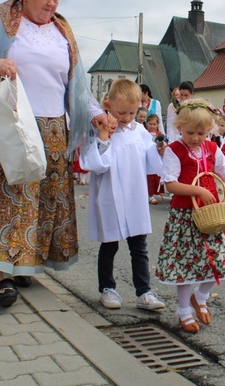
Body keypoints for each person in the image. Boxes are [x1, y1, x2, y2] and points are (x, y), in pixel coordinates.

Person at [0, 0, 108, 307]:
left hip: (52, 128)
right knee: (4, 200)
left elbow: (76, 84)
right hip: (6, 122)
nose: (52, 4)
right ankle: (2, 277)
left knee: (38, 203)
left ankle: (24, 262)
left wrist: (96, 115)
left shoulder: (62, 31)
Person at [80, 79, 166, 311]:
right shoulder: (101, 129)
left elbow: (151, 162)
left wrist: (158, 150)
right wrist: (104, 138)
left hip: (134, 196)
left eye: (131, 112)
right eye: (121, 112)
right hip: (110, 196)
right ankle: (107, 289)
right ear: (108, 105)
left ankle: (144, 292)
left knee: (139, 247)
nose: (126, 117)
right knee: (109, 245)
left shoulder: (140, 132)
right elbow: (96, 165)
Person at [155, 98, 225, 334]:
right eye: (190, 132)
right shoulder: (174, 150)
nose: (196, 138)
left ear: (209, 131)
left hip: (211, 215)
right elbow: (170, 184)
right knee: (185, 266)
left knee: (220, 261)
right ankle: (184, 311)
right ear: (179, 127)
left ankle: (200, 297)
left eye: (201, 133)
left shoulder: (212, 148)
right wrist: (198, 189)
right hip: (185, 215)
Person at [144, 113, 164, 204]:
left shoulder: (159, 134)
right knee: (149, 177)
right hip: (147, 158)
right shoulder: (144, 133)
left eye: (154, 124)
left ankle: (155, 193)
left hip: (157, 157)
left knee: (156, 175)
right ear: (146, 123)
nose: (152, 126)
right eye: (150, 124)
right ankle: (150, 195)